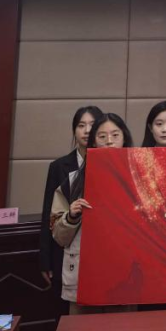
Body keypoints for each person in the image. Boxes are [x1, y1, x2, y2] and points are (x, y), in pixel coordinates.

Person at [50, 113, 133, 314]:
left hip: (125, 278)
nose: (109, 141)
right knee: (82, 330)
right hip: (84, 277)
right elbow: (59, 236)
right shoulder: (73, 182)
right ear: (93, 142)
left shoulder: (139, 180)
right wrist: (71, 217)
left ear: (124, 139)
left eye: (115, 135)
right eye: (102, 136)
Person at [39, 105, 102, 302]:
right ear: (74, 131)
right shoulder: (59, 167)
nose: (87, 130)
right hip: (66, 249)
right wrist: (45, 260)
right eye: (81, 125)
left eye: (92, 125)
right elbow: (48, 214)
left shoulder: (111, 164)